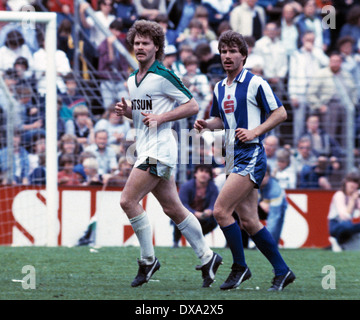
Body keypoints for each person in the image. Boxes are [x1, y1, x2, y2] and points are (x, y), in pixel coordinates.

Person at [114, 20, 222, 288]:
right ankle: (207, 257)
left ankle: (148, 260)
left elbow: (193, 105)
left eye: (145, 43)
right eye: (137, 43)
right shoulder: (132, 78)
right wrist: (129, 113)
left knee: (128, 200)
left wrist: (162, 117)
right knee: (173, 207)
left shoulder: (164, 74)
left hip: (160, 149)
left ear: (157, 47)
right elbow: (143, 117)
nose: (140, 47)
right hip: (145, 147)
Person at [194, 30, 295, 291]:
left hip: (250, 154)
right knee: (249, 220)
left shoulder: (256, 83)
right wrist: (207, 124)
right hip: (232, 155)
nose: (227, 56)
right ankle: (282, 271)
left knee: (220, 211)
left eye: (232, 51)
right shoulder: (219, 87)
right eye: (223, 51)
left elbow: (281, 113)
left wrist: (255, 131)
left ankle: (240, 267)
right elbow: (220, 120)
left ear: (244, 55)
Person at [307, 51, 357, 146]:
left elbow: (354, 91)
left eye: (337, 61)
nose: (335, 63)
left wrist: (353, 104)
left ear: (341, 62)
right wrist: (319, 106)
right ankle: (330, 154)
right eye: (333, 61)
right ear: (329, 62)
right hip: (329, 106)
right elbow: (311, 94)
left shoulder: (347, 75)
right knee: (331, 133)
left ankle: (345, 155)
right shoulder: (321, 74)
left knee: (346, 133)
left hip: (345, 106)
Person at [288, 31, 329, 145]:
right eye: (307, 39)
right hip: (300, 91)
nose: (309, 42)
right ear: (302, 39)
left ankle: (312, 148)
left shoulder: (318, 53)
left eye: (312, 40)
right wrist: (293, 95)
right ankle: (297, 147)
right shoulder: (296, 54)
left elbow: (327, 63)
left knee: (313, 122)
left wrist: (314, 51)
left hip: (315, 93)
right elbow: (292, 74)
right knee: (299, 122)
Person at [173, 164, 219, 247]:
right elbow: (182, 205)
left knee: (214, 221)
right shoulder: (186, 186)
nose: (203, 174)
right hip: (187, 214)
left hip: (204, 216)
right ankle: (175, 242)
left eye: (207, 172)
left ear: (210, 176)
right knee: (177, 217)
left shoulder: (213, 188)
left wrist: (209, 210)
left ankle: (199, 240)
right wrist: (194, 213)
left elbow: (214, 204)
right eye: (201, 171)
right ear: (195, 174)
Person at [328, 172, 360, 247]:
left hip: (348, 225)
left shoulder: (356, 196)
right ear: (346, 182)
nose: (352, 184)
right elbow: (344, 216)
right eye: (350, 181)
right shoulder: (339, 195)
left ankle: (342, 244)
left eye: (355, 182)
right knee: (346, 225)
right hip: (336, 224)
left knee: (349, 225)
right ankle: (338, 242)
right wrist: (352, 200)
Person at [259, 165, 287, 245]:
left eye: (265, 176)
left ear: (269, 176)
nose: (262, 178)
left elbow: (273, 218)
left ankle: (268, 244)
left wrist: (264, 241)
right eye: (260, 175)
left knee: (276, 226)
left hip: (276, 208)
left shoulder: (276, 190)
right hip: (257, 205)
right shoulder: (250, 182)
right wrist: (260, 202)